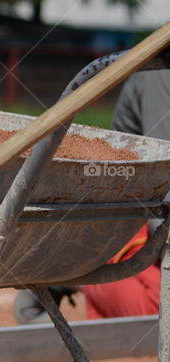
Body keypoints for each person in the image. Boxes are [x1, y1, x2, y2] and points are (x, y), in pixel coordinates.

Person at [14, 70, 169, 324]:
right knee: (157, 318)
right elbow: (156, 193)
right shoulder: (162, 74)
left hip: (149, 227)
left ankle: (75, 265)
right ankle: (75, 268)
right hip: (147, 227)